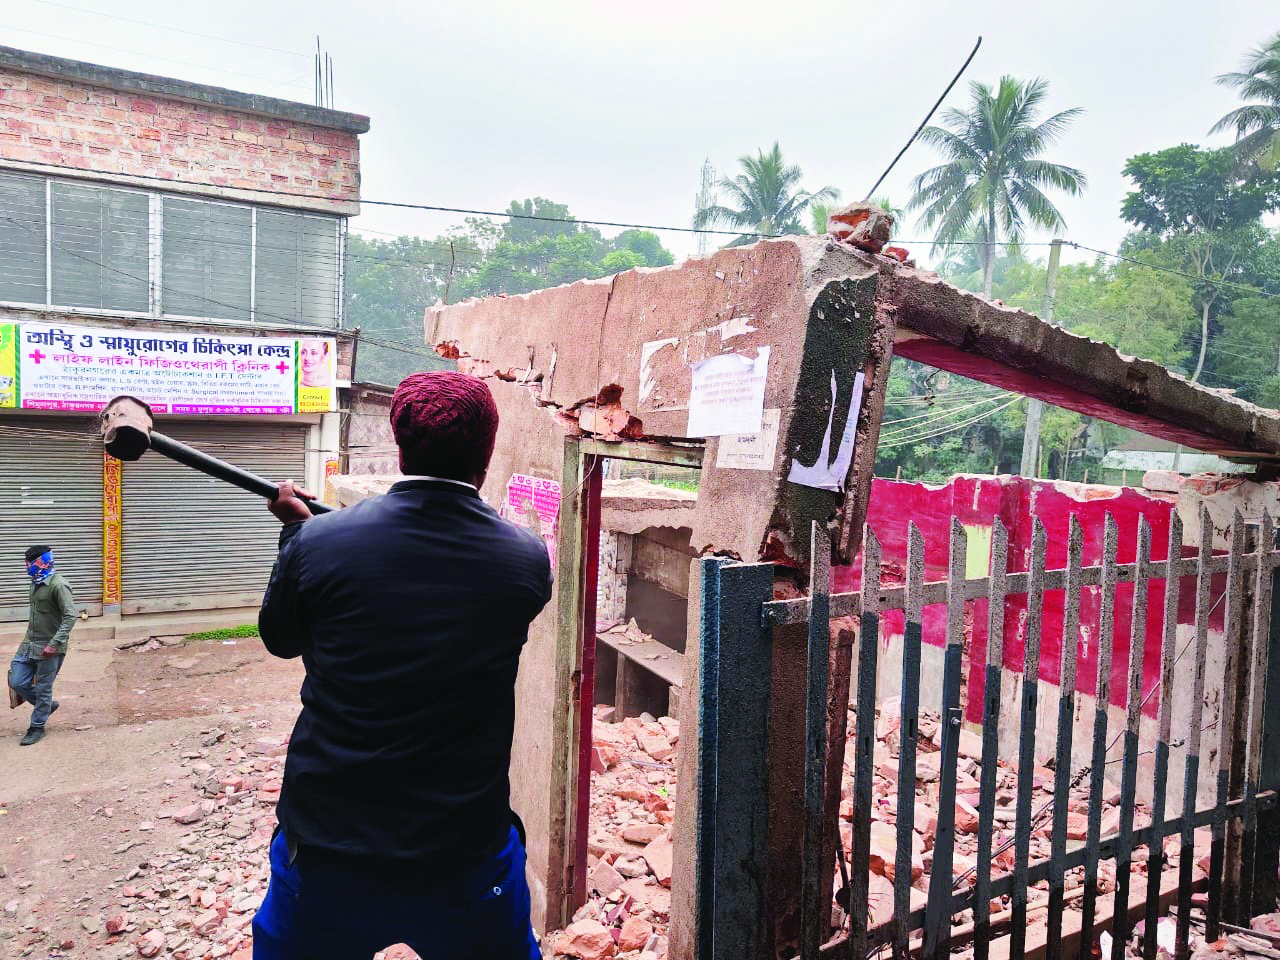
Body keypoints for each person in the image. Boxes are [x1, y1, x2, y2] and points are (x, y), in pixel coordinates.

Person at [252, 371, 552, 960]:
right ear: (487, 452)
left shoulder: (320, 544)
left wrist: (297, 538)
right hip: (463, 855)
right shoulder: (524, 559)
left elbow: (281, 639)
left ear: (399, 445)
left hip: (328, 851)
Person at [8, 545, 76, 746]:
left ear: (40, 562)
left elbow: (70, 615)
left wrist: (54, 643)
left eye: (28, 562)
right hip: (29, 643)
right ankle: (45, 706)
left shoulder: (58, 585)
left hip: (49, 647)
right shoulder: (35, 583)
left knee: (44, 687)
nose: (26, 566)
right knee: (17, 681)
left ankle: (37, 727)